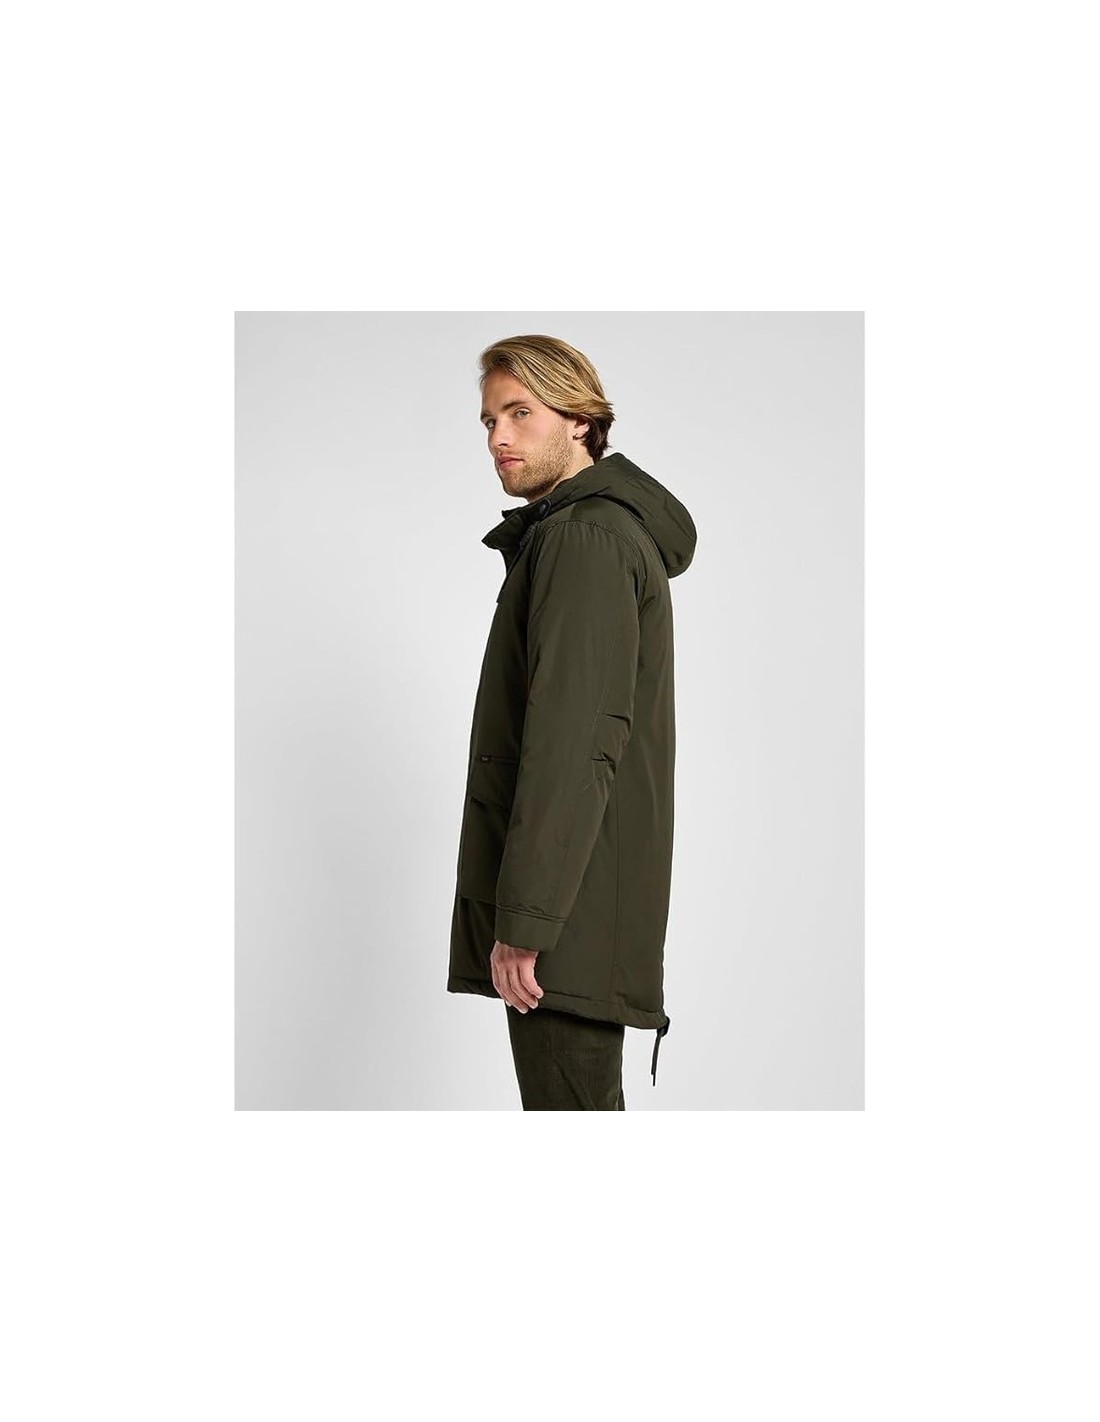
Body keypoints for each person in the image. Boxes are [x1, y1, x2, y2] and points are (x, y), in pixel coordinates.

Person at [447, 334, 697, 1110]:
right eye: (489, 420)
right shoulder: (586, 533)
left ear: (581, 420)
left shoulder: (583, 538)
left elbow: (574, 743)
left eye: (520, 413)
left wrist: (525, 920)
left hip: (564, 920)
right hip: (579, 908)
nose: (499, 437)